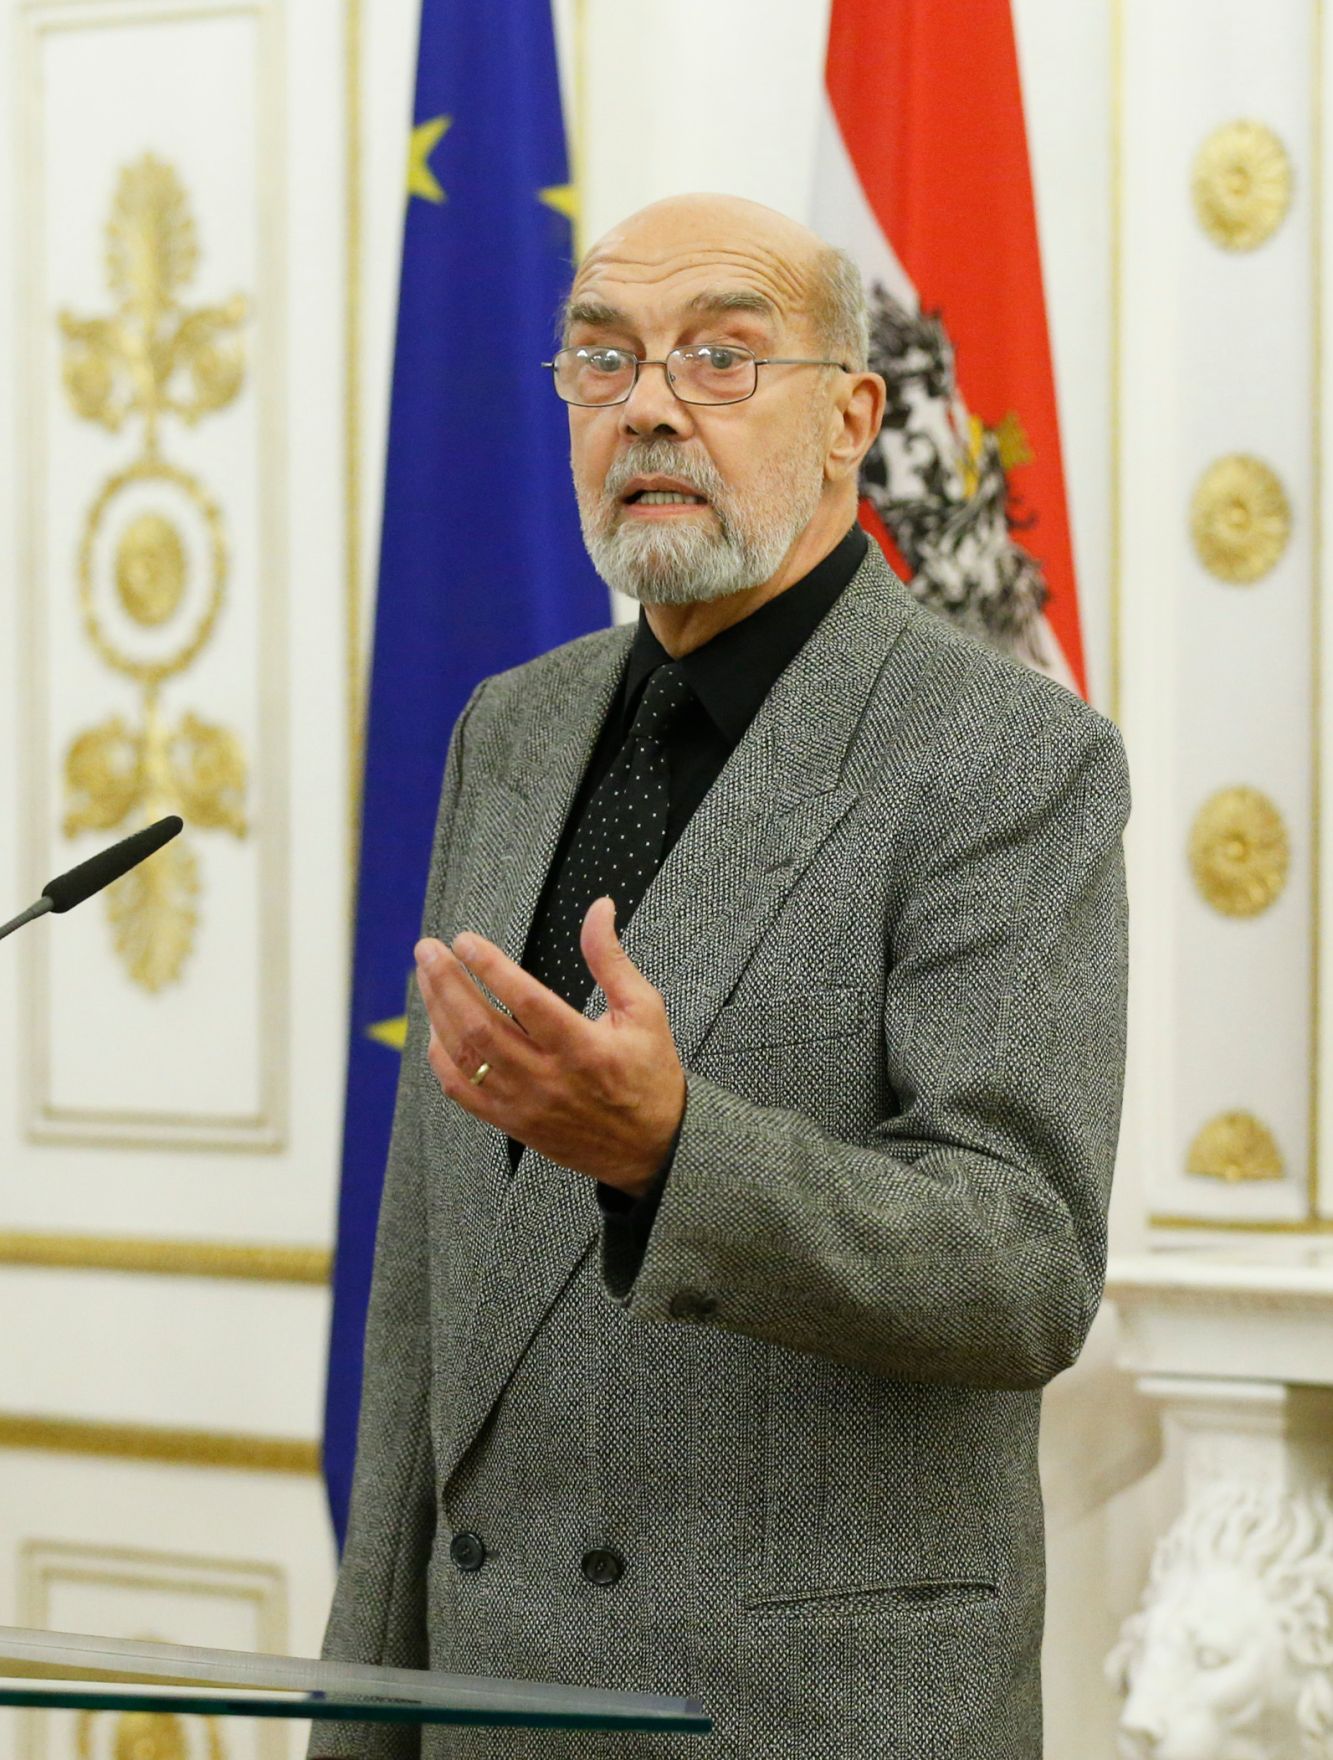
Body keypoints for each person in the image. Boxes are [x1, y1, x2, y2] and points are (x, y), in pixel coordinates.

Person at [314, 192, 1131, 1759]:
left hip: (788, 1716)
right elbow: (432, 1293)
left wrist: (674, 1158)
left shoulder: (1006, 756)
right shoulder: (515, 728)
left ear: (850, 416)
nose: (649, 405)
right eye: (602, 360)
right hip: (486, 1708)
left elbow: (1023, 1262)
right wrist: (364, 1716)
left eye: (720, 357)